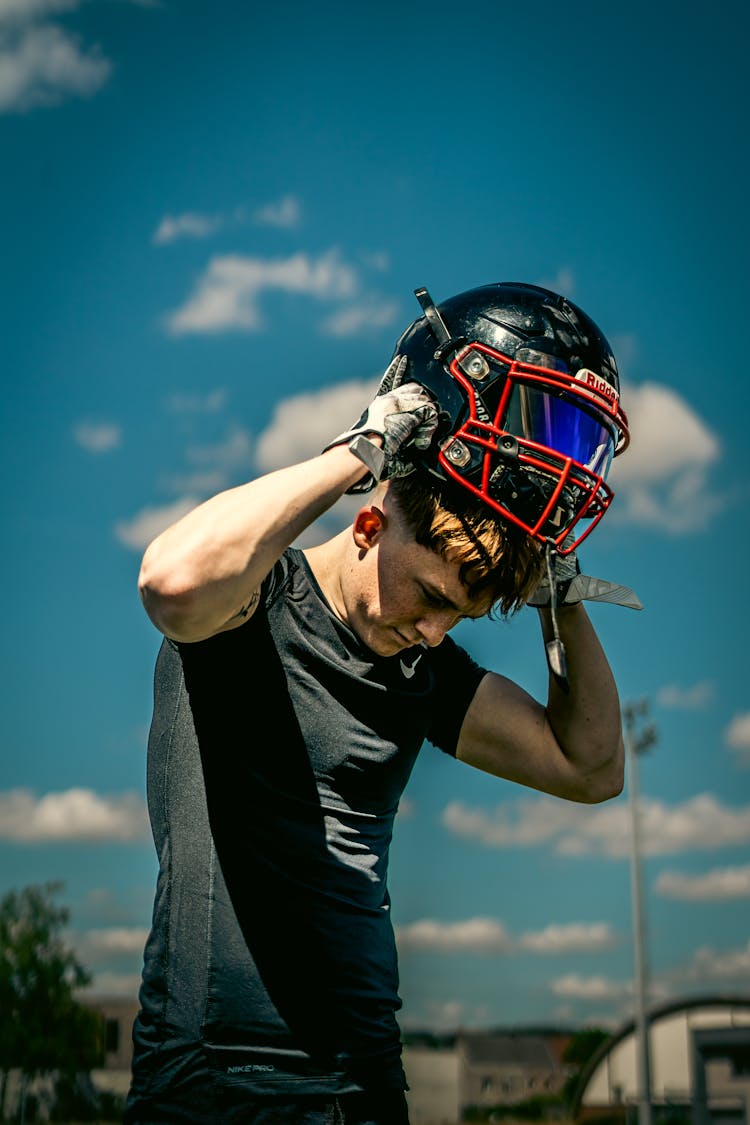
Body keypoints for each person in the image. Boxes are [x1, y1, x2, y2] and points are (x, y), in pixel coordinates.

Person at [125, 282, 640, 1124]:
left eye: (459, 615)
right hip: (217, 1082)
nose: (437, 632)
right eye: (432, 596)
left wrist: (553, 589)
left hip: (364, 1082)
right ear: (369, 526)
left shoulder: (419, 669)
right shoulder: (250, 604)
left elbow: (590, 765)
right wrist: (362, 448)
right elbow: (171, 581)